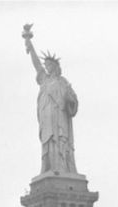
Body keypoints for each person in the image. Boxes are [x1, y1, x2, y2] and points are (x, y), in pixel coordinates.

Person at [23, 26, 79, 174]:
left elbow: (73, 100)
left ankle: (62, 168)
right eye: (46, 66)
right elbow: (36, 65)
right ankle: (48, 167)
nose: (47, 68)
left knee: (60, 140)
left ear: (55, 66)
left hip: (59, 116)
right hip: (46, 116)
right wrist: (29, 44)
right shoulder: (44, 80)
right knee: (48, 141)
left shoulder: (63, 82)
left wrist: (70, 100)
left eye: (49, 66)